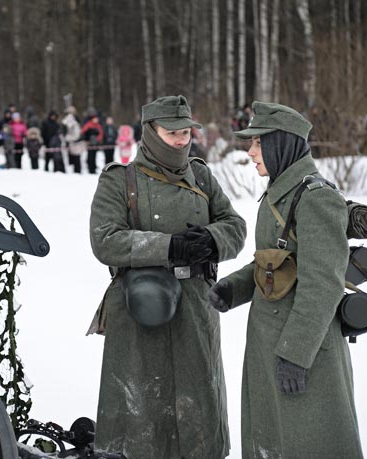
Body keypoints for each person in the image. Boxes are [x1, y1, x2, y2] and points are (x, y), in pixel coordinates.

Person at [89, 95, 246, 458]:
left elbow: (235, 226)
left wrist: (211, 238)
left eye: (186, 131)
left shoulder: (202, 175)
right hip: (141, 308)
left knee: (199, 407)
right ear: (150, 132)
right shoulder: (120, 180)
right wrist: (168, 247)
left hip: (195, 307)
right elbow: (105, 240)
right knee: (141, 408)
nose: (181, 139)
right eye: (171, 132)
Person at [208, 101, 363, 458]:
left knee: (309, 444)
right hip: (270, 344)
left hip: (303, 352)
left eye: (258, 143)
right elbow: (277, 262)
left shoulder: (316, 198)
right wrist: (234, 288)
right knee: (274, 442)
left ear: (282, 143)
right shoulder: (281, 191)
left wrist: (295, 355)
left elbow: (321, 284)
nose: (250, 152)